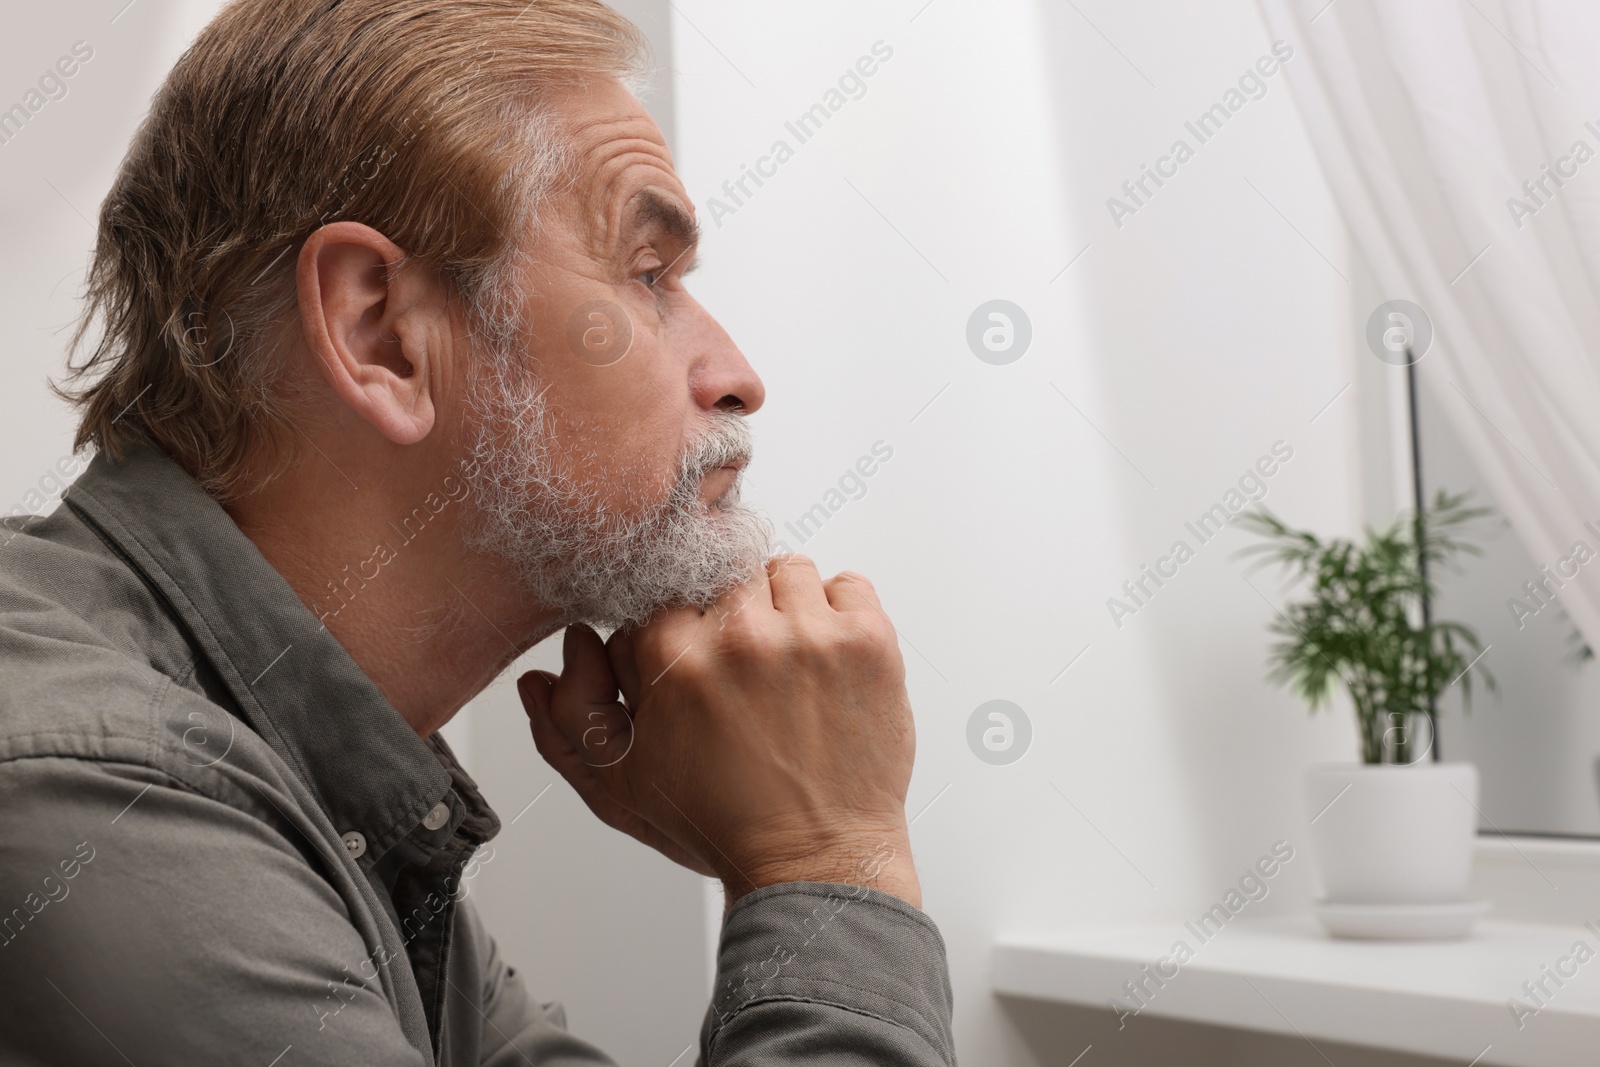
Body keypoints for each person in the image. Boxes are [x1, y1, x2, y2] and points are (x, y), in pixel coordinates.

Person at [0, 1, 955, 1064]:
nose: (735, 375)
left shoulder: (316, 775)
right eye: (646, 275)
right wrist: (825, 856)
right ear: (383, 334)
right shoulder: (99, 784)